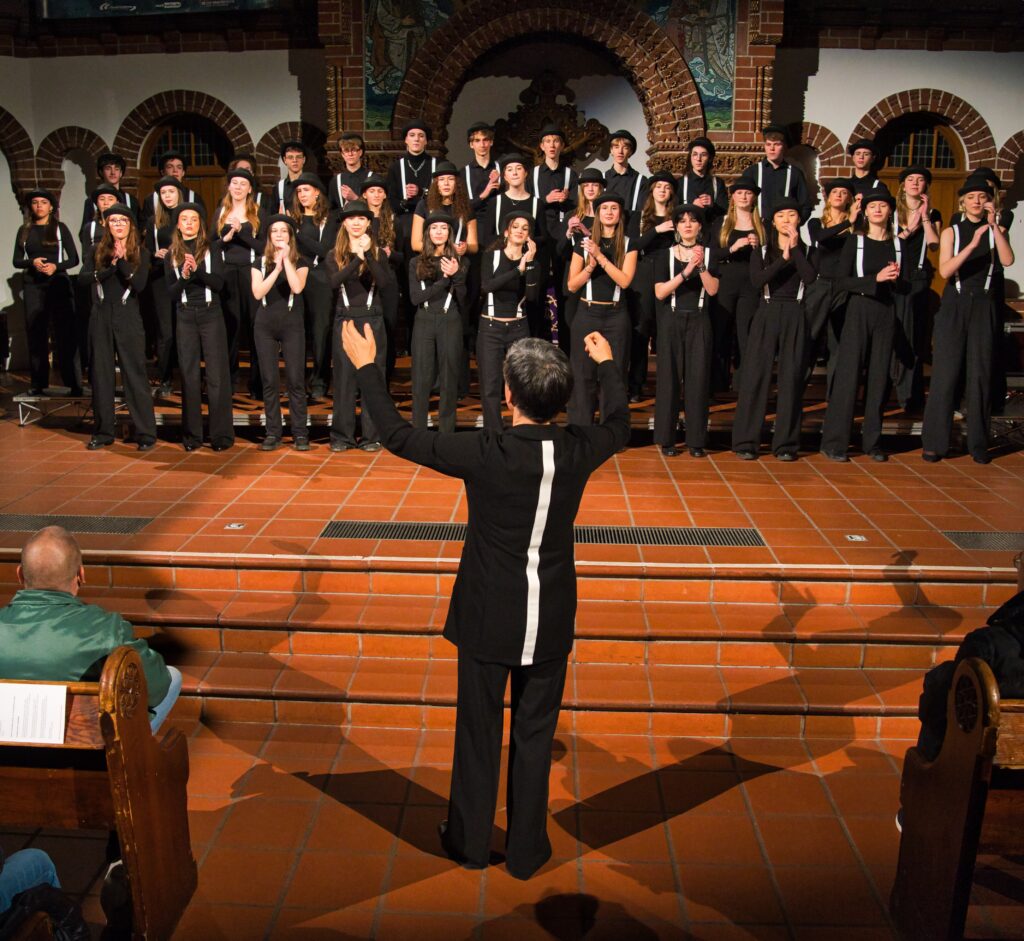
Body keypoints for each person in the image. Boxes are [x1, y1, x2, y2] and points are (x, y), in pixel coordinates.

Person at [339, 323, 630, 880]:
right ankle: (526, 851)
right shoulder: (581, 448)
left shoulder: (486, 452)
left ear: (509, 396)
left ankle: (470, 844)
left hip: (487, 612)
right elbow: (619, 422)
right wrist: (609, 362)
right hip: (550, 617)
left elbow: (398, 436)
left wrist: (368, 367)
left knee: (478, 733)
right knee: (535, 734)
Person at [0, 526, 178, 730]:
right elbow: (157, 686)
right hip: (88, 750)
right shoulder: (106, 630)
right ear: (80, 575)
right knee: (173, 676)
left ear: (20, 575)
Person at [921, 178, 1014, 464]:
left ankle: (978, 444)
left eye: (982, 196)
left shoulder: (996, 231)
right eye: (971, 197)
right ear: (963, 202)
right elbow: (946, 270)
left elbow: (1008, 261)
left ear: (990, 201)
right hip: (955, 303)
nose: (976, 201)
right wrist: (972, 244)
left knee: (980, 374)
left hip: (984, 304)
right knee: (946, 373)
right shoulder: (952, 231)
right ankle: (935, 444)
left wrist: (994, 227)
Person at [820, 190, 905, 462]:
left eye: (882, 205)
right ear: (865, 212)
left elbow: (911, 284)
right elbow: (840, 282)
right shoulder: (855, 243)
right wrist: (874, 278)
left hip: (886, 311)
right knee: (848, 376)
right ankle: (835, 443)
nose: (877, 209)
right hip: (858, 308)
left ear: (890, 211)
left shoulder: (898, 245)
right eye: (872, 206)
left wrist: (897, 281)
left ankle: (873, 442)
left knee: (880, 376)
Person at [731, 198, 816, 461]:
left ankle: (786, 445)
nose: (787, 220)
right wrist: (783, 259)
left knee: (791, 378)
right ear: (773, 221)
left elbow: (810, 277)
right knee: (756, 376)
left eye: (791, 215)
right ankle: (746, 441)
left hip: (795, 312)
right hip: (767, 311)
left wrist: (795, 249)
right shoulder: (763, 250)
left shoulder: (809, 251)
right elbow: (758, 280)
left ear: (798, 221)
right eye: (781, 215)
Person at [79, 204, 158, 453]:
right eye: (114, 221)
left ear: (131, 225)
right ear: (107, 225)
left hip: (127, 315)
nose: (119, 225)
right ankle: (103, 432)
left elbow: (140, 285)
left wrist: (122, 262)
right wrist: (109, 267)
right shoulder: (95, 250)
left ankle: (145, 433)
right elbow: (83, 278)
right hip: (100, 314)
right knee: (101, 375)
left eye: (123, 221)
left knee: (134, 374)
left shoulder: (140, 253)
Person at [326, 199, 396, 451]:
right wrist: (356, 259)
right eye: (351, 218)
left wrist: (367, 255)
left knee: (372, 378)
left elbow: (385, 283)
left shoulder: (376, 254)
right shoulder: (334, 254)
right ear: (344, 223)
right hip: (345, 318)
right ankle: (342, 436)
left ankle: (371, 436)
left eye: (361, 219)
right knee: (344, 379)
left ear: (368, 223)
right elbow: (334, 281)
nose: (356, 222)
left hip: (372, 319)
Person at [165, 203, 234, 452]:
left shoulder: (211, 249)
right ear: (178, 224)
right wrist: (184, 277)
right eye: (185, 219)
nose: (189, 223)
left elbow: (218, 284)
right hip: (184, 315)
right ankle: (192, 437)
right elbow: (171, 293)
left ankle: (221, 437)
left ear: (200, 224)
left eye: (194, 219)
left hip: (210, 313)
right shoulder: (172, 253)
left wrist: (197, 272)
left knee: (217, 376)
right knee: (189, 376)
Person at [566, 192, 637, 425]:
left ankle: (611, 431)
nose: (609, 212)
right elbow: (572, 285)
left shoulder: (629, 243)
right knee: (583, 375)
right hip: (587, 313)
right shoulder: (583, 244)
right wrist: (589, 267)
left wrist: (600, 257)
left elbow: (625, 281)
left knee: (613, 374)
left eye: (614, 208)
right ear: (597, 213)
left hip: (616, 315)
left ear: (620, 214)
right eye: (604, 208)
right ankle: (581, 429)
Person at [653, 204, 718, 457]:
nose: (688, 224)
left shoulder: (710, 255)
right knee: (668, 379)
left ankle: (696, 440)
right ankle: (667, 439)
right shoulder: (664, 255)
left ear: (700, 226)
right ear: (677, 227)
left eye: (693, 220)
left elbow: (712, 290)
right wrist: (686, 271)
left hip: (700, 319)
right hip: (671, 318)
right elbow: (660, 292)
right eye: (682, 221)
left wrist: (700, 267)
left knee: (698, 379)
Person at [13, 189, 80, 395]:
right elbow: (16, 261)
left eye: (43, 202)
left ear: (51, 207)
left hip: (58, 283)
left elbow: (74, 259)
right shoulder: (24, 230)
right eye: (35, 202)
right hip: (33, 285)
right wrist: (31, 262)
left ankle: (73, 383)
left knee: (65, 333)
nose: (39, 206)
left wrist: (56, 267)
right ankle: (38, 383)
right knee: (36, 333)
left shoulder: (60, 228)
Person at [251, 214, 310, 450]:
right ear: (268, 235)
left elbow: (297, 287)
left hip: (291, 323)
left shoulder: (301, 262)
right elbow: (258, 292)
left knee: (296, 380)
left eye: (283, 231)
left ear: (290, 236)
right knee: (269, 381)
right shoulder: (259, 263)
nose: (278, 234)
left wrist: (286, 261)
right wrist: (274, 268)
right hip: (265, 323)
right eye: (274, 230)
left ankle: (300, 433)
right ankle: (273, 432)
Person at [477, 210, 540, 430]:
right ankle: (493, 435)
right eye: (515, 226)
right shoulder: (491, 256)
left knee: (520, 384)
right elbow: (487, 286)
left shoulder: (532, 262)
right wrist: (517, 270)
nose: (520, 231)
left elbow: (532, 297)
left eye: (525, 228)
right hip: (491, 327)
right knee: (490, 386)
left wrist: (529, 265)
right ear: (506, 231)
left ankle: (521, 431)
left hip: (518, 327)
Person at [408, 211, 468, 432]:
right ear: (427, 233)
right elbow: (415, 298)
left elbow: (464, 299)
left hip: (450, 320)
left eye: (444, 228)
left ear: (449, 233)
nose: (439, 232)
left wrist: (457, 276)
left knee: (449, 377)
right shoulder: (416, 262)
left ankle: (447, 432)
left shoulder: (460, 261)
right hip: (423, 320)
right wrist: (444, 281)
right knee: (421, 378)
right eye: (434, 228)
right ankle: (419, 431)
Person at [212, 167, 266, 400]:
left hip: (251, 273)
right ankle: (230, 383)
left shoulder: (258, 212)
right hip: (226, 273)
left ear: (250, 188)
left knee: (255, 328)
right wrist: (225, 238)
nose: (238, 187)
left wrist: (242, 233)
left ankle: (257, 385)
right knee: (230, 330)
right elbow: (210, 246)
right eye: (234, 183)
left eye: (243, 183)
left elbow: (265, 249)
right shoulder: (220, 211)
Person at [707, 180, 764, 391]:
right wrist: (732, 248)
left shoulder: (761, 224)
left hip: (750, 282)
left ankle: (743, 383)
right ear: (732, 197)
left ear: (754, 198)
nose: (743, 197)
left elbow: (769, 257)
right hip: (726, 278)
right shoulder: (721, 222)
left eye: (748, 193)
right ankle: (718, 381)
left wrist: (758, 248)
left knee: (746, 333)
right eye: (739, 193)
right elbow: (710, 253)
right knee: (720, 330)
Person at [892, 166, 941, 410]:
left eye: (920, 180)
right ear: (902, 185)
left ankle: (910, 396)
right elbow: (892, 241)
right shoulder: (891, 210)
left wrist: (924, 216)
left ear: (925, 186)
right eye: (910, 179)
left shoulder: (933, 213)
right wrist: (910, 227)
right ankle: (891, 390)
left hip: (918, 278)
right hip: (893, 276)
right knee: (893, 333)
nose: (915, 183)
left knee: (914, 336)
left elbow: (933, 244)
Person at [804, 178, 856, 392]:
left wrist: (853, 222)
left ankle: (834, 394)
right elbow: (821, 239)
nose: (839, 195)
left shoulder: (858, 225)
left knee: (840, 342)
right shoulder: (817, 222)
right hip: (820, 284)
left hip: (845, 286)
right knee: (811, 337)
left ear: (849, 198)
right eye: (835, 191)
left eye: (844, 193)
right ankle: (798, 387)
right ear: (827, 196)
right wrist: (848, 222)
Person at [628, 171, 676, 396]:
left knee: (666, 329)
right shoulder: (639, 217)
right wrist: (657, 229)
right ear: (652, 190)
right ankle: (636, 383)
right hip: (644, 272)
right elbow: (633, 245)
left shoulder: (676, 216)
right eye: (659, 187)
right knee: (641, 328)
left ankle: (667, 385)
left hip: (668, 272)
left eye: (667, 188)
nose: (663, 191)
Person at [291, 172, 338, 403]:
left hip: (320, 280)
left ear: (317, 192)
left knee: (321, 332)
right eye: (299, 191)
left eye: (306, 190)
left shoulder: (329, 219)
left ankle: (319, 381)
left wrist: (297, 234)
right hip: (295, 279)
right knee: (298, 332)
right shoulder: (294, 219)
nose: (302, 195)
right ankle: (297, 381)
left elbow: (326, 251)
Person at [143, 176, 187, 397]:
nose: (168, 196)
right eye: (164, 193)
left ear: (179, 193)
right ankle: (165, 378)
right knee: (165, 331)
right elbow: (147, 251)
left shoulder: (188, 217)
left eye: (171, 191)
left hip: (185, 277)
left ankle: (189, 379)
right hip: (161, 278)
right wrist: (155, 254)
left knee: (186, 328)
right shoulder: (154, 221)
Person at [555, 167, 604, 349]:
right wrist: (568, 233)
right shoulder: (572, 215)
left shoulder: (606, 215)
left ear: (601, 189)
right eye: (586, 186)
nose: (590, 189)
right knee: (569, 321)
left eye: (594, 185)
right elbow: (560, 252)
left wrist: (585, 232)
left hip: (598, 276)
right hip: (574, 274)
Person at [740, 124, 811, 225]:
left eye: (777, 144)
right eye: (768, 144)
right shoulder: (752, 172)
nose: (772, 149)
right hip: (758, 229)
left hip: (784, 230)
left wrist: (796, 223)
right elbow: (742, 202)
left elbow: (805, 204)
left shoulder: (795, 173)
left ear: (784, 146)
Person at [410, 161, 477, 256]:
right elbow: (415, 244)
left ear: (457, 183)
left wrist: (465, 247)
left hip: (457, 261)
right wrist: (443, 251)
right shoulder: (424, 205)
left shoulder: (466, 207)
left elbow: (474, 246)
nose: (446, 183)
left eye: (450, 179)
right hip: (431, 260)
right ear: (436, 184)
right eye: (441, 179)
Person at [677, 136, 728, 224]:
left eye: (703, 155)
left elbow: (725, 214)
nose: (698, 159)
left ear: (709, 158)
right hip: (688, 234)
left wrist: (713, 205)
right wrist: (691, 207)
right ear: (690, 157)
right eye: (695, 154)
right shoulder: (680, 183)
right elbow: (674, 213)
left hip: (711, 233)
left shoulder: (718, 183)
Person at [142, 151, 205, 223]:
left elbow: (203, 226)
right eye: (170, 167)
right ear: (162, 172)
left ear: (183, 173)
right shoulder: (151, 200)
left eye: (179, 167)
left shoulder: (194, 198)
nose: (175, 171)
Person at [82, 152, 136, 228]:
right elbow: (84, 232)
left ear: (121, 173)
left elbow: (138, 229)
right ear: (101, 172)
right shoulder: (91, 201)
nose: (113, 172)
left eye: (116, 169)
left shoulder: (131, 200)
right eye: (108, 168)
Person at [603, 129, 646, 217]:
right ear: (611, 150)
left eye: (625, 148)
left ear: (630, 152)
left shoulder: (641, 181)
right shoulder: (602, 178)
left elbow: (642, 211)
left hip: (631, 227)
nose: (620, 152)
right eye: (616, 147)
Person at [329, 132, 372, 210]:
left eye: (354, 150)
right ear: (342, 154)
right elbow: (332, 209)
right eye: (346, 150)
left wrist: (355, 198)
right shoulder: (336, 180)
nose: (350, 154)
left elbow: (377, 207)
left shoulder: (371, 177)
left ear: (360, 152)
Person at [275, 139, 310, 213]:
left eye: (298, 157)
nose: (295, 160)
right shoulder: (279, 187)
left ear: (304, 159)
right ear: (285, 160)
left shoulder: (312, 184)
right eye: (290, 157)